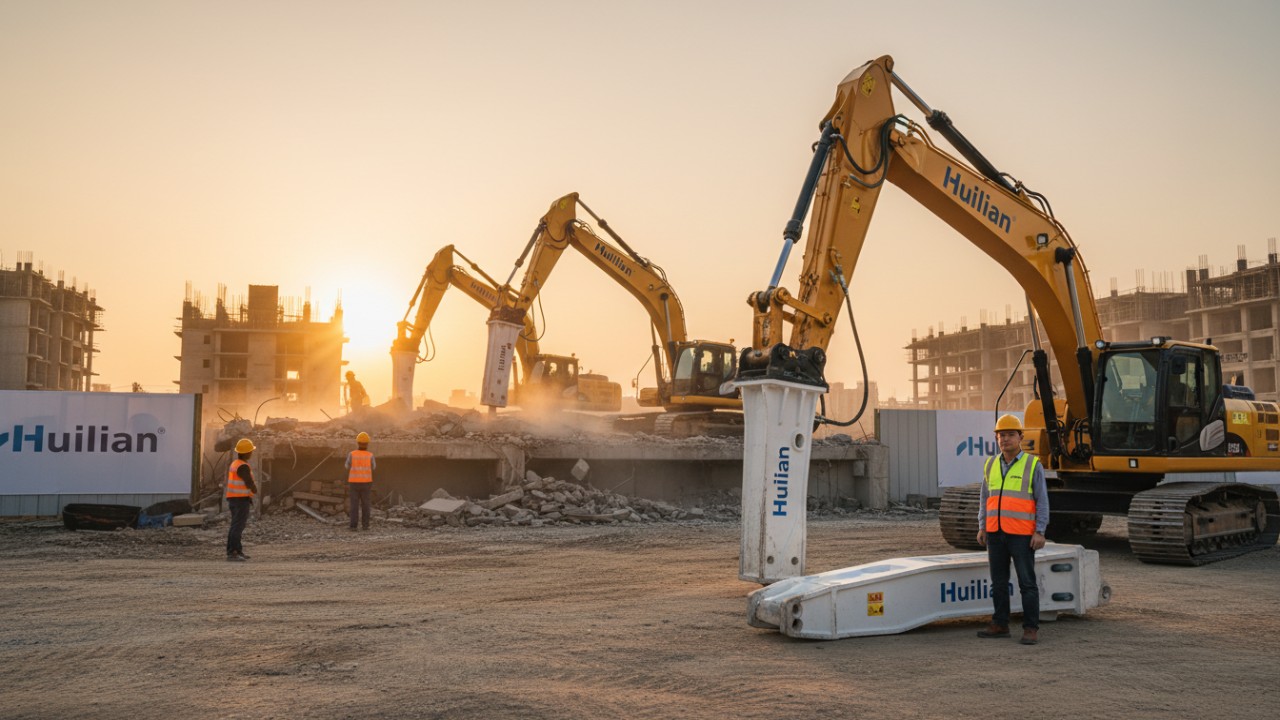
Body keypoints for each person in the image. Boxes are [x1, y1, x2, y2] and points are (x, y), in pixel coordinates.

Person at [976, 414, 1049, 645]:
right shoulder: (990, 464)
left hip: (1022, 534)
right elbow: (985, 499)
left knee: (1027, 582)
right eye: (1001, 435)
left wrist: (1040, 531)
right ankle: (1000, 623)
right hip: (995, 533)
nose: (1005, 439)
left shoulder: (1032, 464)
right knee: (998, 582)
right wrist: (982, 526)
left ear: (1020, 437)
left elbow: (1042, 500)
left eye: (1010, 435)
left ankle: (1030, 628)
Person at [225, 438, 259, 562]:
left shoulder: (236, 464)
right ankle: (233, 552)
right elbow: (248, 481)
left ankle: (236, 550)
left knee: (236, 526)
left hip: (235, 499)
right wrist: (254, 489)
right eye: (250, 451)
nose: (251, 453)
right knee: (238, 526)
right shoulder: (242, 466)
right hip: (240, 500)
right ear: (246, 453)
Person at [345, 431, 376, 531]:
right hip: (366, 483)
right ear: (367, 443)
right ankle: (365, 526)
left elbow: (346, 466)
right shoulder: (370, 455)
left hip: (354, 483)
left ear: (357, 442)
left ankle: (353, 526)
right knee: (366, 505)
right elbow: (373, 467)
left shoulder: (352, 454)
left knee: (354, 505)